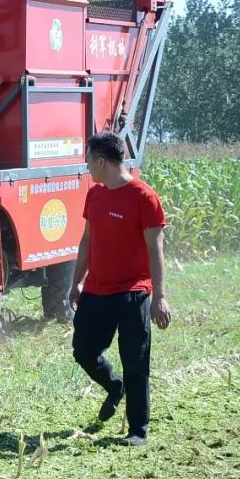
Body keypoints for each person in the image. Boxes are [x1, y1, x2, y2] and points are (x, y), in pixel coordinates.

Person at [68, 131, 173, 446]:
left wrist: (160, 297)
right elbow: (87, 241)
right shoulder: (95, 195)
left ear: (101, 161)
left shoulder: (144, 197)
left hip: (132, 292)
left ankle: (138, 430)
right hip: (96, 291)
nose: (87, 167)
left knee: (135, 361)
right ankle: (115, 387)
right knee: (83, 351)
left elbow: (156, 250)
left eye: (88, 161)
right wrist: (76, 282)